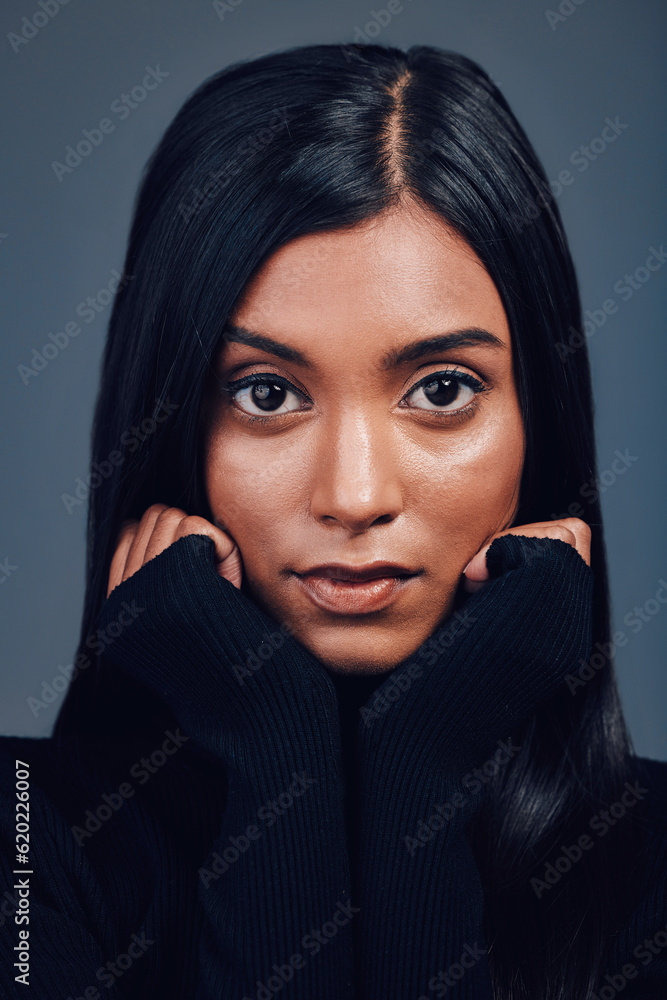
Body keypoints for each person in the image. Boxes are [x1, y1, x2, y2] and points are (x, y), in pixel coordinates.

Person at [1, 42, 665, 1000]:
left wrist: (417, 766)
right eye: (267, 393)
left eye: (441, 388)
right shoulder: (25, 835)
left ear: (541, 423)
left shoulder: (643, 864)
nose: (354, 496)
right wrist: (274, 751)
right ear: (169, 423)